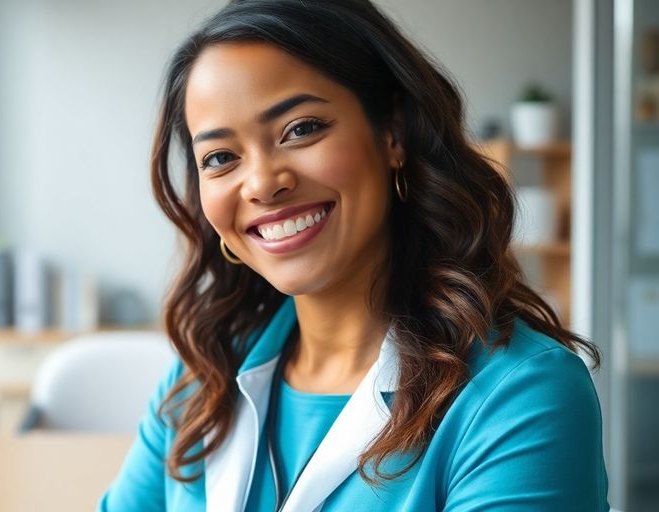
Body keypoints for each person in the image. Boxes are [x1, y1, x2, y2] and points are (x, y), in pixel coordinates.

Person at [99, 0, 609, 510]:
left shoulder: (519, 396)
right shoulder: (204, 378)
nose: (261, 184)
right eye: (220, 158)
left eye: (301, 129)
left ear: (392, 134)